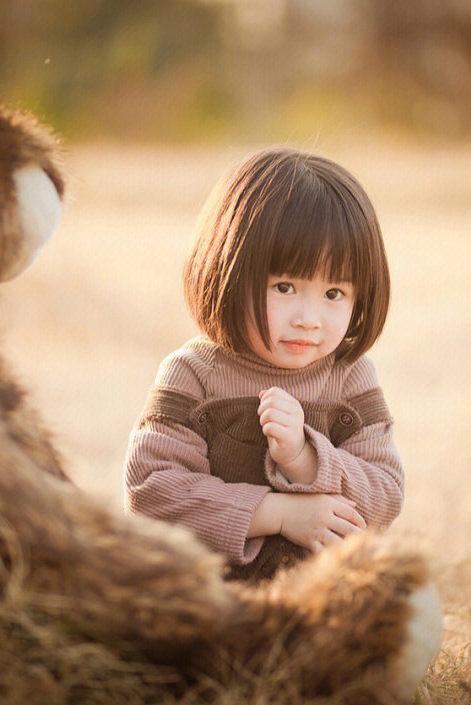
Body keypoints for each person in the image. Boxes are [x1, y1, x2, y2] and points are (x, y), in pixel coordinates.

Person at [124, 147, 403, 582]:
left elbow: (385, 494)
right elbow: (152, 493)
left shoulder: (350, 376)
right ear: (228, 271)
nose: (308, 319)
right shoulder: (194, 374)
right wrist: (276, 513)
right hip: (214, 593)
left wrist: (305, 459)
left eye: (333, 294)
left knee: (408, 604)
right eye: (285, 286)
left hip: (318, 594)